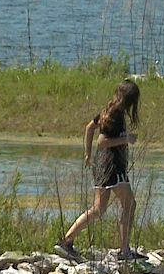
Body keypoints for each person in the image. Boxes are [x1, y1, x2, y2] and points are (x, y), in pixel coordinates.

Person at [55, 79, 141, 262]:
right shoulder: (116, 115)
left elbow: (89, 128)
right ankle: (124, 251)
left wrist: (87, 153)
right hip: (112, 166)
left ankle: (67, 240)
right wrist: (126, 139)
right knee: (129, 204)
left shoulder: (107, 110)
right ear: (130, 100)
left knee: (98, 209)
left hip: (101, 164)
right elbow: (102, 141)